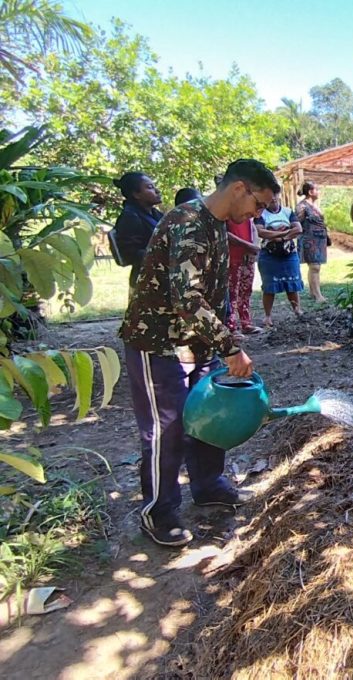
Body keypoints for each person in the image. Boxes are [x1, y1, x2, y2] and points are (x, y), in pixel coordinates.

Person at [120, 159, 280, 547]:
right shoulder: (188, 221)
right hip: (157, 341)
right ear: (240, 188)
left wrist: (220, 338)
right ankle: (159, 511)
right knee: (167, 427)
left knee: (209, 415)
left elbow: (213, 294)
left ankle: (208, 484)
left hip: (196, 342)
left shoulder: (217, 225)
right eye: (259, 204)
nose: (257, 214)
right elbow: (187, 298)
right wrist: (230, 347)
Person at [256, 194, 304, 327]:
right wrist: (285, 233)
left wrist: (280, 238)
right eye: (269, 195)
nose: (272, 198)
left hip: (288, 253)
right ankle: (268, 316)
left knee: (292, 282)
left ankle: (297, 309)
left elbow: (298, 229)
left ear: (279, 195)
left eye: (275, 195)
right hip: (269, 254)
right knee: (269, 286)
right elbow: (261, 232)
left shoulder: (288, 212)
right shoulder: (261, 214)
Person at [112, 172, 163, 288]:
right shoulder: (130, 217)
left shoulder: (155, 214)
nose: (157, 191)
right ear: (136, 194)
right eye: (150, 187)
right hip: (147, 281)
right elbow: (129, 254)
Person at [226, 213, 261, 336]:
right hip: (232, 257)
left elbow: (253, 230)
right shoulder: (226, 213)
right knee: (232, 292)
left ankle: (246, 322)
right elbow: (226, 234)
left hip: (247, 257)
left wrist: (254, 247)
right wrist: (248, 246)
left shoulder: (248, 212)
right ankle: (231, 326)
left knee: (246, 290)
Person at [295, 182, 330, 303]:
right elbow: (297, 223)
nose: (319, 192)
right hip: (309, 239)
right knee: (314, 266)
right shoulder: (302, 206)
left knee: (317, 266)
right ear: (310, 192)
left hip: (319, 239)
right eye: (317, 189)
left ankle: (313, 291)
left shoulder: (315, 205)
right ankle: (317, 295)